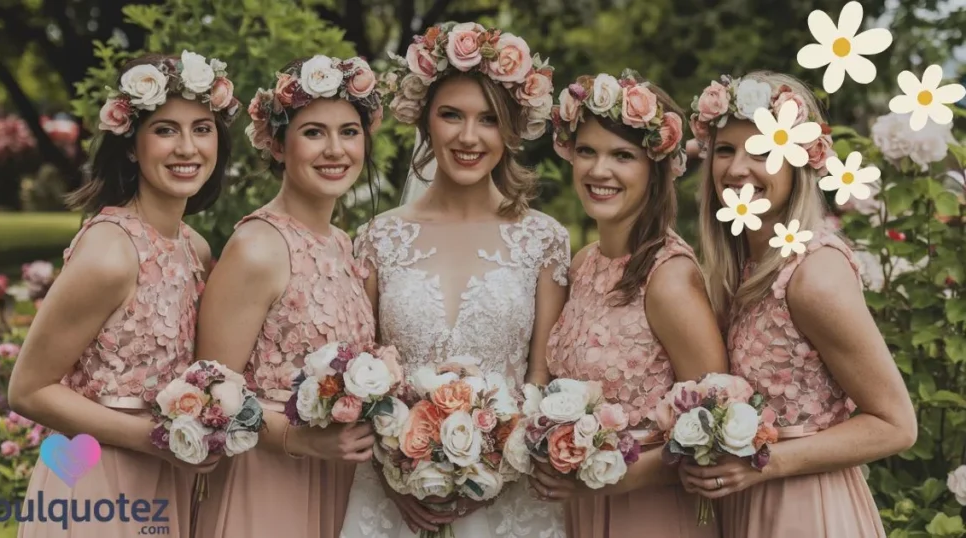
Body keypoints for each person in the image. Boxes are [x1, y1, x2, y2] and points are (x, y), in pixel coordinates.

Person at [340, 21, 570, 538]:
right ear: (425, 120)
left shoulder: (544, 240)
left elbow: (540, 378)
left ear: (510, 129)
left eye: (488, 119)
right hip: (392, 498)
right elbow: (361, 373)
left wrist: (496, 469)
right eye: (451, 116)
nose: (469, 137)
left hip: (510, 501)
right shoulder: (378, 237)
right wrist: (394, 473)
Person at [8, 50, 240, 538]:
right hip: (95, 478)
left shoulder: (194, 247)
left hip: (166, 479)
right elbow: (28, 389)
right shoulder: (111, 252)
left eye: (202, 128)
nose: (187, 147)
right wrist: (159, 440)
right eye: (165, 130)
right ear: (132, 145)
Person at [679, 71, 917, 537]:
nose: (737, 168)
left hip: (807, 509)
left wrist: (765, 462)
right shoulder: (740, 270)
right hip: (747, 505)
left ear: (798, 164)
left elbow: (895, 424)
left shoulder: (814, 275)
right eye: (725, 150)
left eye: (763, 151)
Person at [530, 69, 727, 538]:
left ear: (655, 168)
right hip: (581, 507)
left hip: (650, 512)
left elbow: (714, 429)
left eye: (622, 156)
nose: (600, 171)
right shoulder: (583, 264)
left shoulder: (669, 278)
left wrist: (606, 476)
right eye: (587, 152)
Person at [192, 55, 382, 538]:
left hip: (344, 486)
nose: (335, 149)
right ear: (278, 145)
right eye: (314, 132)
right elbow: (211, 395)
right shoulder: (257, 247)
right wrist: (301, 440)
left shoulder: (343, 245)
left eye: (349, 132)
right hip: (268, 484)